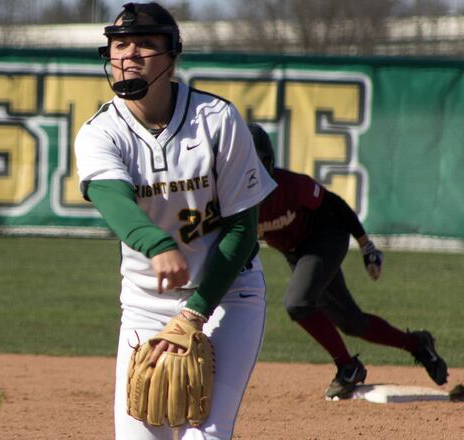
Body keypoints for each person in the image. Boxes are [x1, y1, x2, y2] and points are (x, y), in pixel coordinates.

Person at [74, 3, 276, 439]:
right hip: (147, 303)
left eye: (145, 43)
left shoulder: (216, 120)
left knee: (205, 434)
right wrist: (156, 243)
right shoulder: (100, 133)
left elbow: (242, 231)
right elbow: (112, 199)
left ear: (172, 56)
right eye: (119, 44)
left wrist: (196, 312)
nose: (129, 54)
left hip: (226, 297)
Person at [248, 122, 449, 400]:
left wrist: (366, 246)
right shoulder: (232, 199)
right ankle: (418, 344)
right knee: (352, 322)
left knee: (297, 302)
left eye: (257, 164)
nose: (252, 173)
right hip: (299, 253)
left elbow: (335, 205)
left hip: (327, 237)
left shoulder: (291, 186)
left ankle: (348, 367)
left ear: (269, 162)